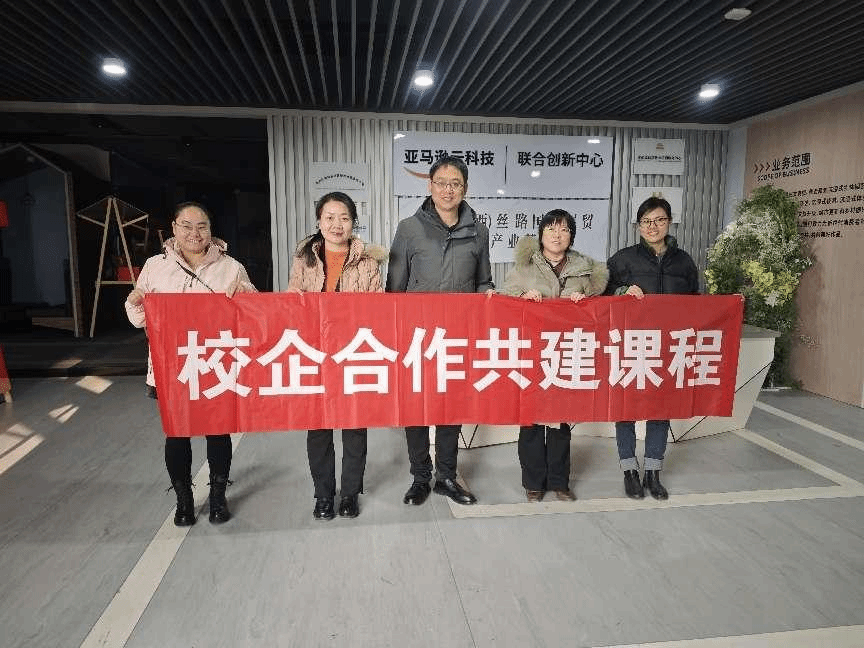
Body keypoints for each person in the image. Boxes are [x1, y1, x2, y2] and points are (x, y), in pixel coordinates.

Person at [125, 201, 256, 526]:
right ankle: (184, 500)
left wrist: (246, 294)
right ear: (174, 228)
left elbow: (253, 312)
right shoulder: (155, 267)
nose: (194, 233)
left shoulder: (230, 267)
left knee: (218, 432)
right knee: (177, 434)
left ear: (211, 230)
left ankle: (218, 496)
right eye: (186, 226)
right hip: (172, 368)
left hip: (215, 364)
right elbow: (139, 319)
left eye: (201, 226)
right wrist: (135, 302)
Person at [386, 155, 494, 506]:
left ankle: (446, 476)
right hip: (417, 337)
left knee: (451, 406)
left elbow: (484, 281)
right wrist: (395, 336)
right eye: (442, 183)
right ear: (430, 185)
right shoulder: (409, 228)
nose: (448, 190)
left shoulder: (478, 231)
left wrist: (487, 296)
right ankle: (420, 476)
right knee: (417, 407)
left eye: (455, 184)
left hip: (459, 335)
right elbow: (394, 288)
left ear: (465, 188)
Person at [287, 191, 387, 521]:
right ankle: (323, 494)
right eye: (329, 217)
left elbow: (378, 308)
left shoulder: (369, 262)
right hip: (315, 354)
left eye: (344, 218)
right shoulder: (304, 259)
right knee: (318, 428)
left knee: (354, 427)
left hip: (354, 353)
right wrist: (293, 300)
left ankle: (349, 494)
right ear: (319, 221)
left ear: (353, 223)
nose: (336, 224)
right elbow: (293, 303)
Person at [501, 209, 608, 502]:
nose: (557, 235)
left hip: (567, 351)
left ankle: (560, 481)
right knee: (531, 420)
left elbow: (601, 308)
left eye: (564, 230)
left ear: (571, 236)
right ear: (541, 235)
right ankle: (533, 483)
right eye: (551, 229)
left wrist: (585, 300)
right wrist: (522, 297)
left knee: (561, 421)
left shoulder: (585, 269)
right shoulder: (524, 267)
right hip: (531, 352)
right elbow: (504, 296)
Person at [605, 196, 699, 500]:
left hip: (668, 347)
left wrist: (730, 305)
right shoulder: (623, 259)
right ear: (638, 226)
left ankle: (653, 472)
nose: (652, 226)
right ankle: (629, 471)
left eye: (659, 220)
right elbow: (602, 295)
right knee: (626, 409)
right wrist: (622, 290)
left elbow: (696, 304)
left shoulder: (684, 262)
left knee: (661, 409)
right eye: (646, 221)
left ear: (669, 222)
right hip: (632, 345)